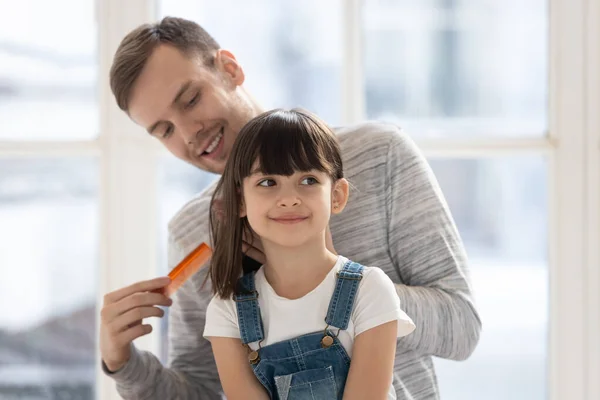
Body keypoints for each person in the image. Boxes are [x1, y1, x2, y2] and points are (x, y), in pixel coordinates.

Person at [99, 16, 481, 400]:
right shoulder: (193, 232)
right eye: (164, 130)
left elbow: (462, 329)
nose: (187, 133)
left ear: (229, 70)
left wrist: (325, 271)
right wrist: (123, 363)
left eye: (191, 99)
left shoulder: (379, 154)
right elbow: (202, 390)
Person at [204, 108, 416, 399]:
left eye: (308, 181)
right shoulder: (227, 310)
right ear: (240, 200)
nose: (289, 199)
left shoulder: (369, 289)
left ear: (337, 196)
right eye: (268, 182)